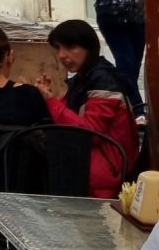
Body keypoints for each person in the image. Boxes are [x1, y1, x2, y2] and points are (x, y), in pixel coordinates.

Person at [37, 18, 138, 199]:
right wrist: (49, 97)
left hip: (106, 175)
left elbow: (89, 134)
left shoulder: (104, 81)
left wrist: (50, 101)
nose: (61, 55)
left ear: (89, 48)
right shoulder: (82, 79)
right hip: (86, 166)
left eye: (70, 47)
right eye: (58, 48)